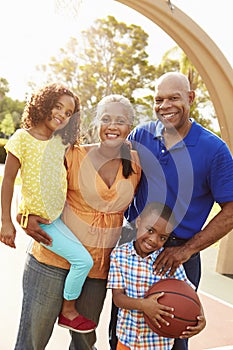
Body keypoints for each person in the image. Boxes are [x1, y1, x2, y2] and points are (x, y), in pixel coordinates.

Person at [109, 71, 233, 350]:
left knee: (175, 332)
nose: (165, 105)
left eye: (174, 98)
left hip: (178, 253)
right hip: (133, 244)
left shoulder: (214, 150)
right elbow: (112, 174)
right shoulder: (140, 135)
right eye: (159, 99)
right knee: (122, 330)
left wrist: (186, 250)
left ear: (190, 98)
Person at [12, 94, 141, 350]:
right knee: (32, 341)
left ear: (130, 128)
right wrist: (22, 214)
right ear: (96, 124)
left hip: (97, 269)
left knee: (84, 344)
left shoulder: (136, 164)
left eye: (120, 121)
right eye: (105, 119)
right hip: (51, 260)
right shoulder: (71, 154)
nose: (112, 126)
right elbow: (34, 178)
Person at [0, 83, 96, 335]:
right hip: (44, 223)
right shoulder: (21, 138)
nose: (62, 115)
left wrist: (122, 143)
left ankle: (67, 309)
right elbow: (8, 180)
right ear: (43, 104)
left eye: (68, 112)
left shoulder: (58, 142)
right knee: (83, 260)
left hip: (57, 218)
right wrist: (8, 221)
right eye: (58, 107)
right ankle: (68, 311)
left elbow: (85, 150)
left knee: (82, 259)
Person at [107, 201, 206, 350]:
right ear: (138, 222)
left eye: (163, 238)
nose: (153, 240)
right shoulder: (119, 255)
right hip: (127, 341)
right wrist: (144, 305)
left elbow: (190, 294)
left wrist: (201, 318)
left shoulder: (168, 262)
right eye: (150, 230)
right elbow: (118, 298)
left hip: (158, 344)